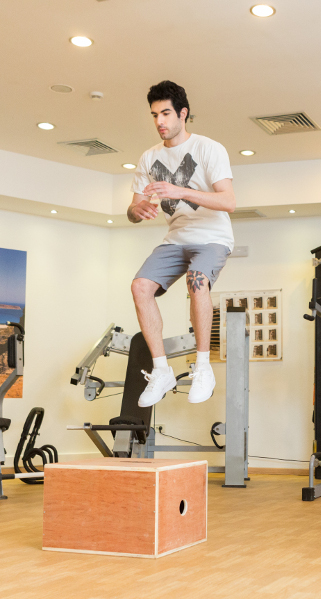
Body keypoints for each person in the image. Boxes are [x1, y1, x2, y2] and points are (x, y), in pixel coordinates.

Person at [127, 80, 236, 408]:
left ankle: (203, 367)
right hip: (175, 239)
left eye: (166, 113)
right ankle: (161, 371)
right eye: (154, 115)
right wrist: (136, 210)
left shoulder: (208, 148)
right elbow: (133, 209)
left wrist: (181, 191)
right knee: (140, 287)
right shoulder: (149, 157)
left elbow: (228, 201)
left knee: (196, 280)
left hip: (212, 237)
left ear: (182, 113)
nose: (159, 121)